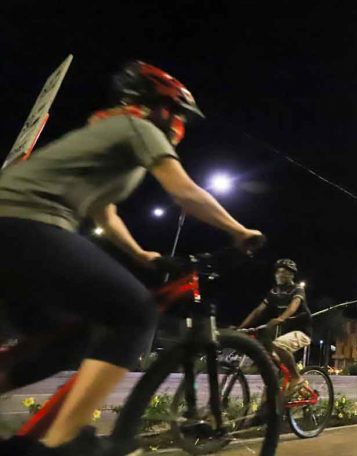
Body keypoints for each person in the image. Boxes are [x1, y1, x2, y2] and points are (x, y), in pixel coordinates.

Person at [0, 61, 262, 454]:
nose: (179, 126)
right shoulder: (138, 128)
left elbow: (103, 212)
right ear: (161, 108)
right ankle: (61, 444)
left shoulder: (107, 135)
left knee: (65, 338)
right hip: (23, 223)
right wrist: (239, 231)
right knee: (136, 312)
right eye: (177, 115)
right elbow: (185, 192)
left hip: (15, 230)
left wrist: (142, 255)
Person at [239, 259, 312, 396]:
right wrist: (241, 327)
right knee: (269, 355)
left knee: (279, 345)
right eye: (277, 272)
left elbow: (294, 305)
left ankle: (297, 378)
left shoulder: (297, 289)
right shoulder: (274, 292)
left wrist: (280, 318)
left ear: (291, 275)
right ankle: (284, 386)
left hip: (302, 331)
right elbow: (258, 311)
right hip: (286, 333)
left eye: (283, 272)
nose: (279, 275)